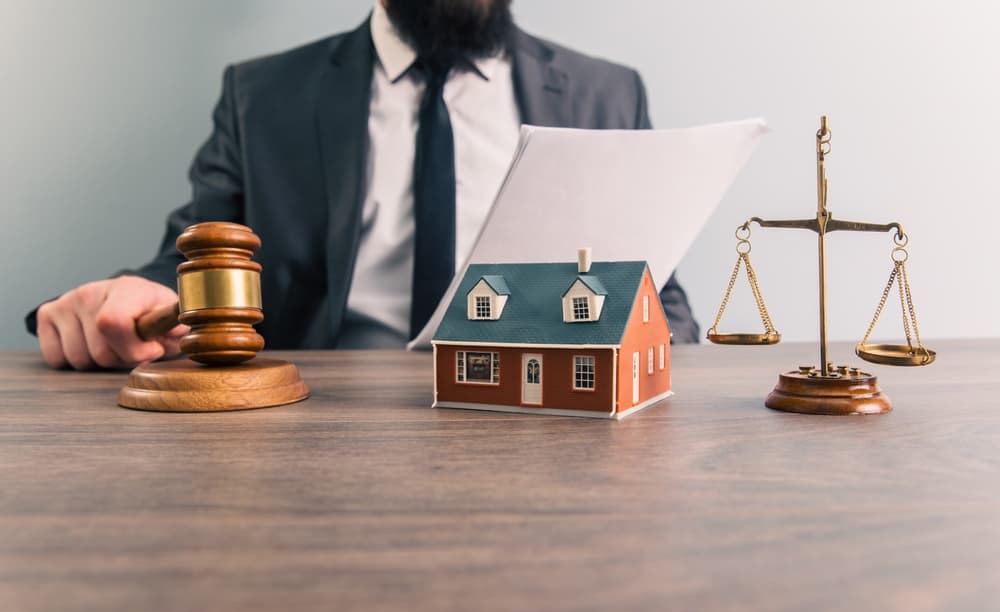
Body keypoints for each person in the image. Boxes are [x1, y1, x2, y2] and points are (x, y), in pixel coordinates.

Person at [26, 0, 700, 370]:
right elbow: (198, 257)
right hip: (315, 433)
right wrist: (137, 296)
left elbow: (656, 293)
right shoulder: (261, 95)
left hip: (542, 428)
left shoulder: (606, 94)